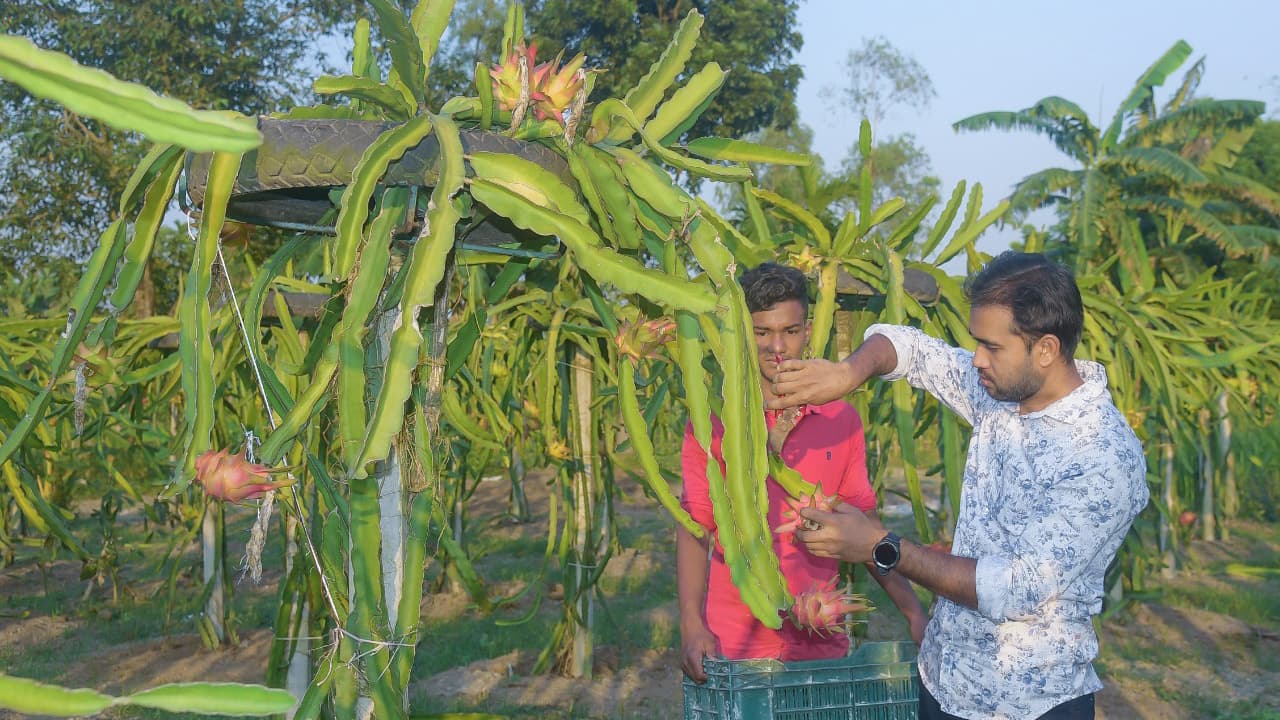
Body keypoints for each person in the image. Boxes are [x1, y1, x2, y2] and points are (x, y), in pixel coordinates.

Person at [770, 252, 1149, 720]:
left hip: (1026, 704)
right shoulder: (1003, 395)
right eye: (976, 344)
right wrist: (846, 375)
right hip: (943, 679)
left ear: (1046, 349)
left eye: (992, 347)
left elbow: (1013, 590)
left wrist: (881, 546)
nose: (977, 360)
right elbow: (905, 347)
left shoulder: (1102, 457)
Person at [677, 262, 928, 683]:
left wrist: (913, 612)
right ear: (741, 332)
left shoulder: (841, 419)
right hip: (734, 646)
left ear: (807, 331)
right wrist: (690, 624)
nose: (779, 347)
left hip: (821, 642)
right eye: (762, 332)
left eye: (790, 331)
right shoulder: (711, 422)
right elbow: (695, 525)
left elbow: (865, 525)